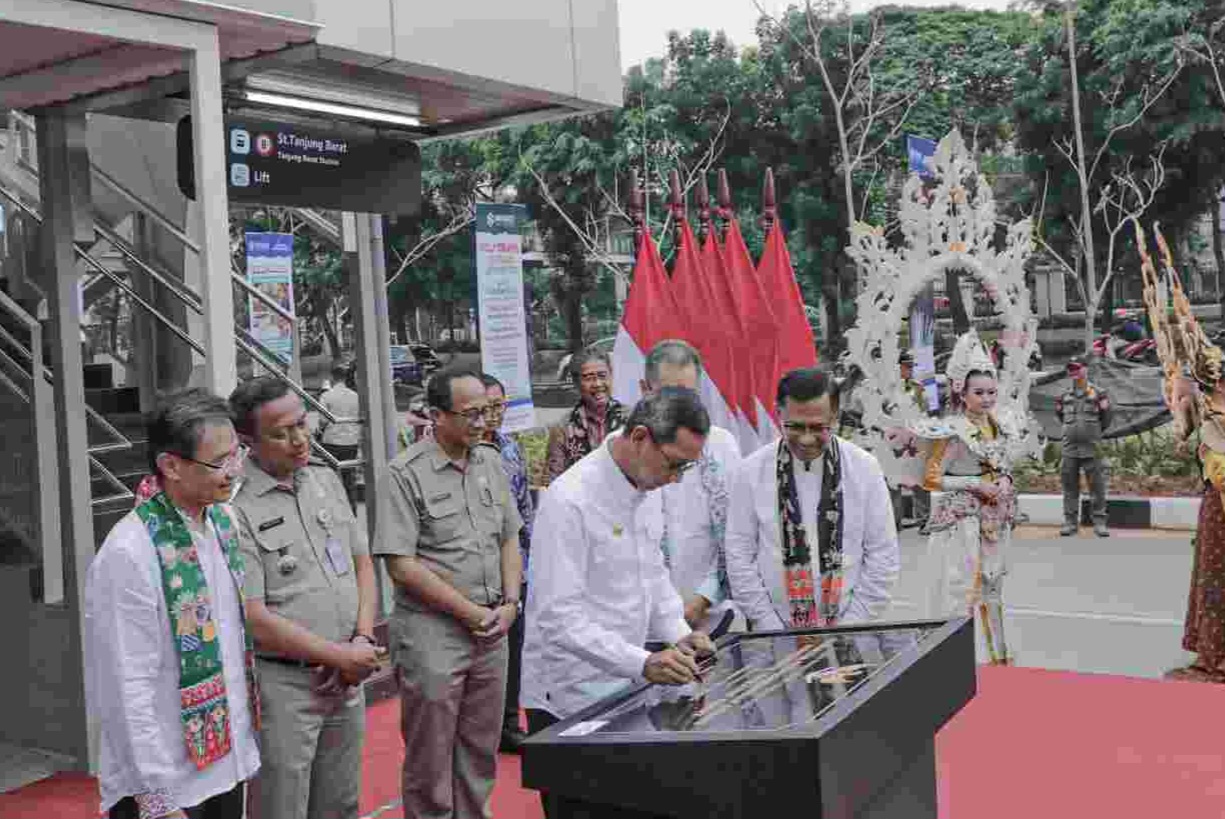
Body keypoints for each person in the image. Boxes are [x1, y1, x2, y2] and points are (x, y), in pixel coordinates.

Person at [523, 387, 715, 818]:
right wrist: (642, 662)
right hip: (569, 696)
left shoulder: (648, 486)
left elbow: (653, 572)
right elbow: (559, 619)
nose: (676, 478)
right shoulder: (570, 499)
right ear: (641, 437)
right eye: (674, 464)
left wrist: (682, 635)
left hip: (626, 685)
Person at [85, 390, 260, 819]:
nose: (233, 471)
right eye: (219, 462)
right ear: (170, 466)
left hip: (225, 760)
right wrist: (158, 801)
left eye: (236, 455)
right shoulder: (131, 551)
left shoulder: (222, 521)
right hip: (164, 782)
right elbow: (127, 687)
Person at [227, 377, 384, 819]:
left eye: (302, 424)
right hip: (285, 687)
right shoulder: (234, 508)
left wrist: (363, 640)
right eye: (281, 433)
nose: (299, 440)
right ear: (247, 442)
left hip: (347, 676)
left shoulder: (325, 480)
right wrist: (337, 655)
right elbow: (253, 616)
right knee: (283, 807)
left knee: (341, 805)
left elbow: (362, 565)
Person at [375, 368, 523, 819]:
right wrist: (469, 612)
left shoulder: (490, 462)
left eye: (487, 411)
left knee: (479, 748)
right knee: (431, 755)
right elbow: (400, 564)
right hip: (433, 632)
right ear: (436, 415)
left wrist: (511, 603)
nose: (481, 422)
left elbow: (508, 537)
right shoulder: (404, 474)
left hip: (492, 628)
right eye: (470, 413)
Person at [724, 367, 900, 632]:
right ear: (778, 413)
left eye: (818, 427)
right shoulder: (750, 472)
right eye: (794, 426)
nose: (806, 439)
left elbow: (882, 555)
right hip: (771, 630)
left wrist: (851, 626)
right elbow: (739, 555)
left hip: (850, 627)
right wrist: (769, 625)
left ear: (836, 417)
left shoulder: (864, 468)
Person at [913, 332, 1018, 665]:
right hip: (962, 526)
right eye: (979, 393)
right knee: (960, 593)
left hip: (994, 522)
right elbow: (930, 478)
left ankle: (999, 661)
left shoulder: (1001, 426)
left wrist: (1005, 480)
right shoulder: (953, 430)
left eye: (991, 392)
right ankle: (955, 665)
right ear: (962, 391)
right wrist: (974, 483)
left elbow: (1003, 465)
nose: (986, 399)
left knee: (993, 592)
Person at [635, 340, 741, 635]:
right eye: (669, 394)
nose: (680, 407)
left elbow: (737, 531)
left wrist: (704, 597)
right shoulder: (630, 446)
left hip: (712, 615)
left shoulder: (721, 445)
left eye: (689, 394)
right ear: (646, 389)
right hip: (645, 621)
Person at [478, 373, 535, 754]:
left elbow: (525, 506)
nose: (495, 415)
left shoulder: (510, 448)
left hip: (516, 566)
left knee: (516, 648)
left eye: (501, 406)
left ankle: (510, 722)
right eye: (488, 407)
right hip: (476, 569)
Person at [546, 350, 627, 481]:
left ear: (611, 376)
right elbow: (553, 480)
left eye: (602, 376)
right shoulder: (562, 429)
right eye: (589, 378)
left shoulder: (631, 419)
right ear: (575, 382)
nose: (598, 384)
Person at [1055, 356, 1112, 537]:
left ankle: (1100, 523)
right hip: (1069, 448)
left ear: (1086, 369)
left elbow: (1107, 418)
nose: (1074, 372)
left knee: (1097, 487)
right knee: (1070, 487)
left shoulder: (1099, 393)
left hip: (1092, 447)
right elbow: (1060, 417)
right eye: (1071, 369)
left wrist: (1091, 432)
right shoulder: (1063, 395)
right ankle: (1070, 523)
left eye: (1077, 368)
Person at [892, 350, 932, 530]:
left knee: (920, 481)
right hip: (892, 439)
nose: (911, 370)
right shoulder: (888, 387)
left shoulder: (918, 388)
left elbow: (926, 413)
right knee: (893, 481)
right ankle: (894, 521)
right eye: (907, 366)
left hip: (915, 439)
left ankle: (924, 519)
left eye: (913, 367)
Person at [318, 362, 362, 506]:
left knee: (329, 478)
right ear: (346, 377)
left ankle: (334, 508)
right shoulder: (355, 396)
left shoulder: (327, 396)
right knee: (349, 479)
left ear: (333, 377)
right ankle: (352, 510)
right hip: (351, 442)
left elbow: (322, 421)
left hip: (331, 441)